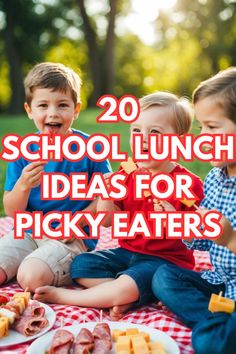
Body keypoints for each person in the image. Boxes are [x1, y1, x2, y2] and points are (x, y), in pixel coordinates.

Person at [34, 91, 204, 319]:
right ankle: (127, 294)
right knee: (81, 266)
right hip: (127, 253)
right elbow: (106, 221)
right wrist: (106, 194)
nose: (143, 138)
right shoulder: (127, 174)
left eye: (154, 132)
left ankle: (70, 296)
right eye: (136, 131)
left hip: (165, 262)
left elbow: (198, 236)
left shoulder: (188, 184)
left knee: (127, 283)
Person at [1, 62, 111, 292]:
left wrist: (78, 222)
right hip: (30, 232)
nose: (52, 113)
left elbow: (106, 200)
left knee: (30, 277)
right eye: (42, 105)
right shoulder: (23, 150)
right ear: (29, 110)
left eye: (62, 105)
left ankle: (52, 265)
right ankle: (36, 260)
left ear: (76, 109)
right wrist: (23, 185)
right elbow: (13, 212)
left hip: (72, 238)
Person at [152, 68, 236, 354]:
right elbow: (202, 241)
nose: (203, 137)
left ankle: (215, 329)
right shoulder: (214, 178)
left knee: (207, 343)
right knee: (164, 277)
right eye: (201, 128)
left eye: (212, 127)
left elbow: (223, 238)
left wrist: (230, 240)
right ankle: (218, 321)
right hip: (220, 282)